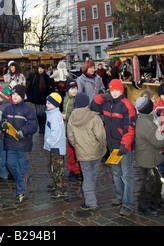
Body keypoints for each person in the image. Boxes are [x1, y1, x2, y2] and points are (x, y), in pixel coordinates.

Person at [91, 79, 136, 216]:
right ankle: (120, 196)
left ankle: (128, 204)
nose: (114, 93)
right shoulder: (107, 104)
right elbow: (93, 107)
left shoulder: (127, 105)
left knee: (126, 176)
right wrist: (101, 96)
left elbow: (129, 128)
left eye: (117, 90)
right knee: (116, 173)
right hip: (112, 146)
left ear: (121, 90)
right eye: (112, 90)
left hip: (123, 147)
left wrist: (125, 145)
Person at [67, 92, 107, 210]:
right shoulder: (94, 117)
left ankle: (90, 199)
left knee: (87, 175)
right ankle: (91, 200)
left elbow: (70, 137)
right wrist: (103, 146)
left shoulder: (71, 118)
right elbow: (101, 135)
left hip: (82, 152)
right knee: (92, 174)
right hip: (96, 151)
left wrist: (78, 146)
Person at [0, 85, 38, 203]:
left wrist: (23, 132)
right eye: (13, 94)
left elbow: (33, 126)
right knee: (10, 164)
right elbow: (2, 121)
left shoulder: (28, 109)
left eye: (17, 94)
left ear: (22, 96)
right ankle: (23, 180)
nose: (15, 96)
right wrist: (3, 125)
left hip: (23, 144)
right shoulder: (7, 109)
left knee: (22, 168)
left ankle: (21, 192)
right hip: (10, 143)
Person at [135, 96, 164, 216]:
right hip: (148, 160)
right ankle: (144, 206)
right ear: (150, 109)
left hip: (150, 158)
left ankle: (156, 201)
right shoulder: (147, 124)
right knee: (149, 184)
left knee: (157, 181)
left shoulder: (145, 119)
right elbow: (158, 142)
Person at [43, 92, 68, 199]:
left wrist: (50, 141)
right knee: (54, 168)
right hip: (54, 146)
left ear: (55, 104)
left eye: (49, 103)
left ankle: (61, 189)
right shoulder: (52, 114)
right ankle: (56, 184)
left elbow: (56, 133)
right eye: (46, 102)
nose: (47, 104)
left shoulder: (55, 116)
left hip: (56, 147)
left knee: (58, 170)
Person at [62, 80, 81, 183]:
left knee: (76, 152)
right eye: (72, 89)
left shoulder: (77, 100)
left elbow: (78, 115)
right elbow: (65, 110)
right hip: (68, 129)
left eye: (75, 88)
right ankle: (71, 169)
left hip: (75, 131)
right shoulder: (66, 98)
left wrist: (67, 116)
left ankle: (77, 171)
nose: (74, 91)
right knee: (70, 153)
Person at [0, 84, 12, 181]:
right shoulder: (12, 106)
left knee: (1, 156)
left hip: (1, 137)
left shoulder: (0, 109)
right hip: (11, 137)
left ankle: (3, 174)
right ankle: (10, 172)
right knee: (9, 156)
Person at [27, 64, 53, 134]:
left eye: (42, 68)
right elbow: (31, 86)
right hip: (36, 97)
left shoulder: (46, 77)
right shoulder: (35, 76)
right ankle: (40, 127)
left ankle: (44, 127)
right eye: (39, 68)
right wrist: (30, 95)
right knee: (38, 112)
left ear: (44, 69)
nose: (40, 70)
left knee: (43, 113)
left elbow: (50, 87)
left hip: (44, 97)